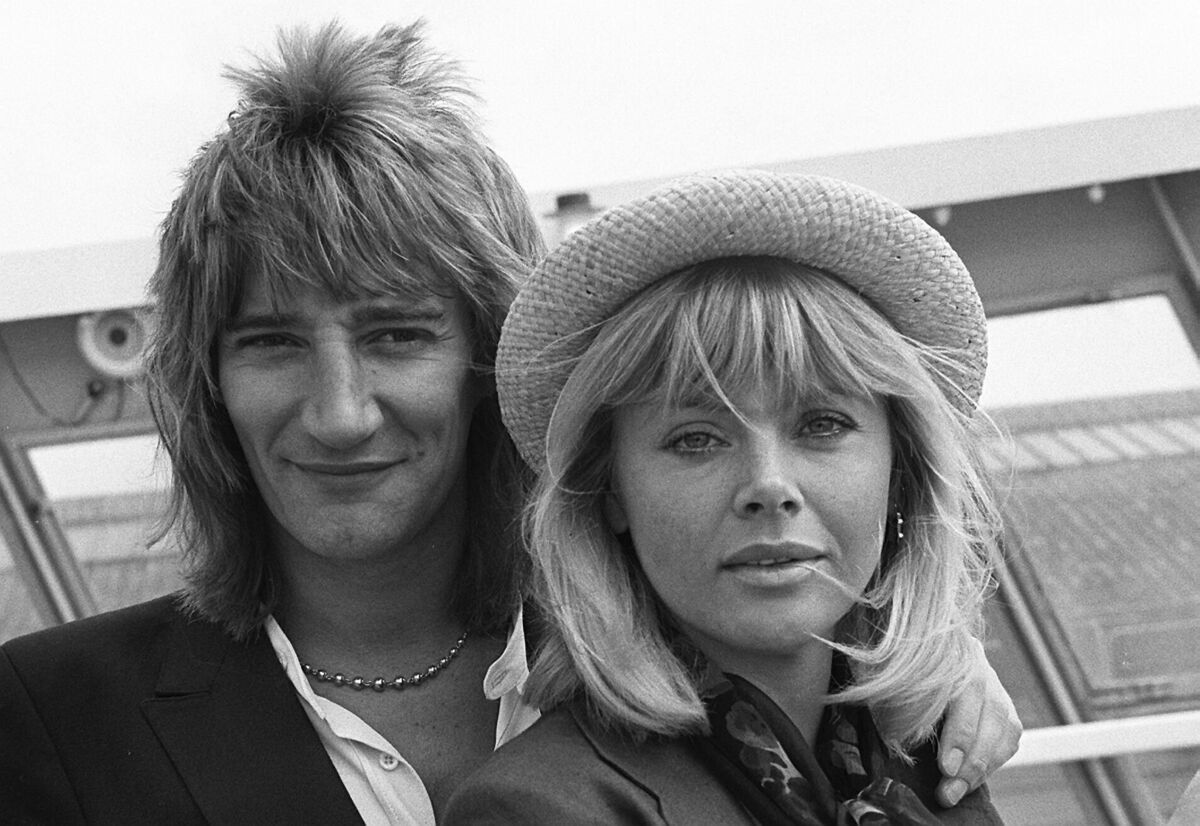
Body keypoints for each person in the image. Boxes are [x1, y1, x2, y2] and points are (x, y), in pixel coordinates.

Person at [0, 25, 1016, 826]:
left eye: (397, 335)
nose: (341, 412)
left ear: (492, 357)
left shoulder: (707, 644)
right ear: (204, 384)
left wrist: (922, 653)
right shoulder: (51, 719)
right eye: (270, 343)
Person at [445, 170, 1009, 824]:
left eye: (821, 425)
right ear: (609, 493)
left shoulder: (935, 760)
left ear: (901, 474)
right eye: (696, 439)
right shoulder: (536, 810)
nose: (769, 485)